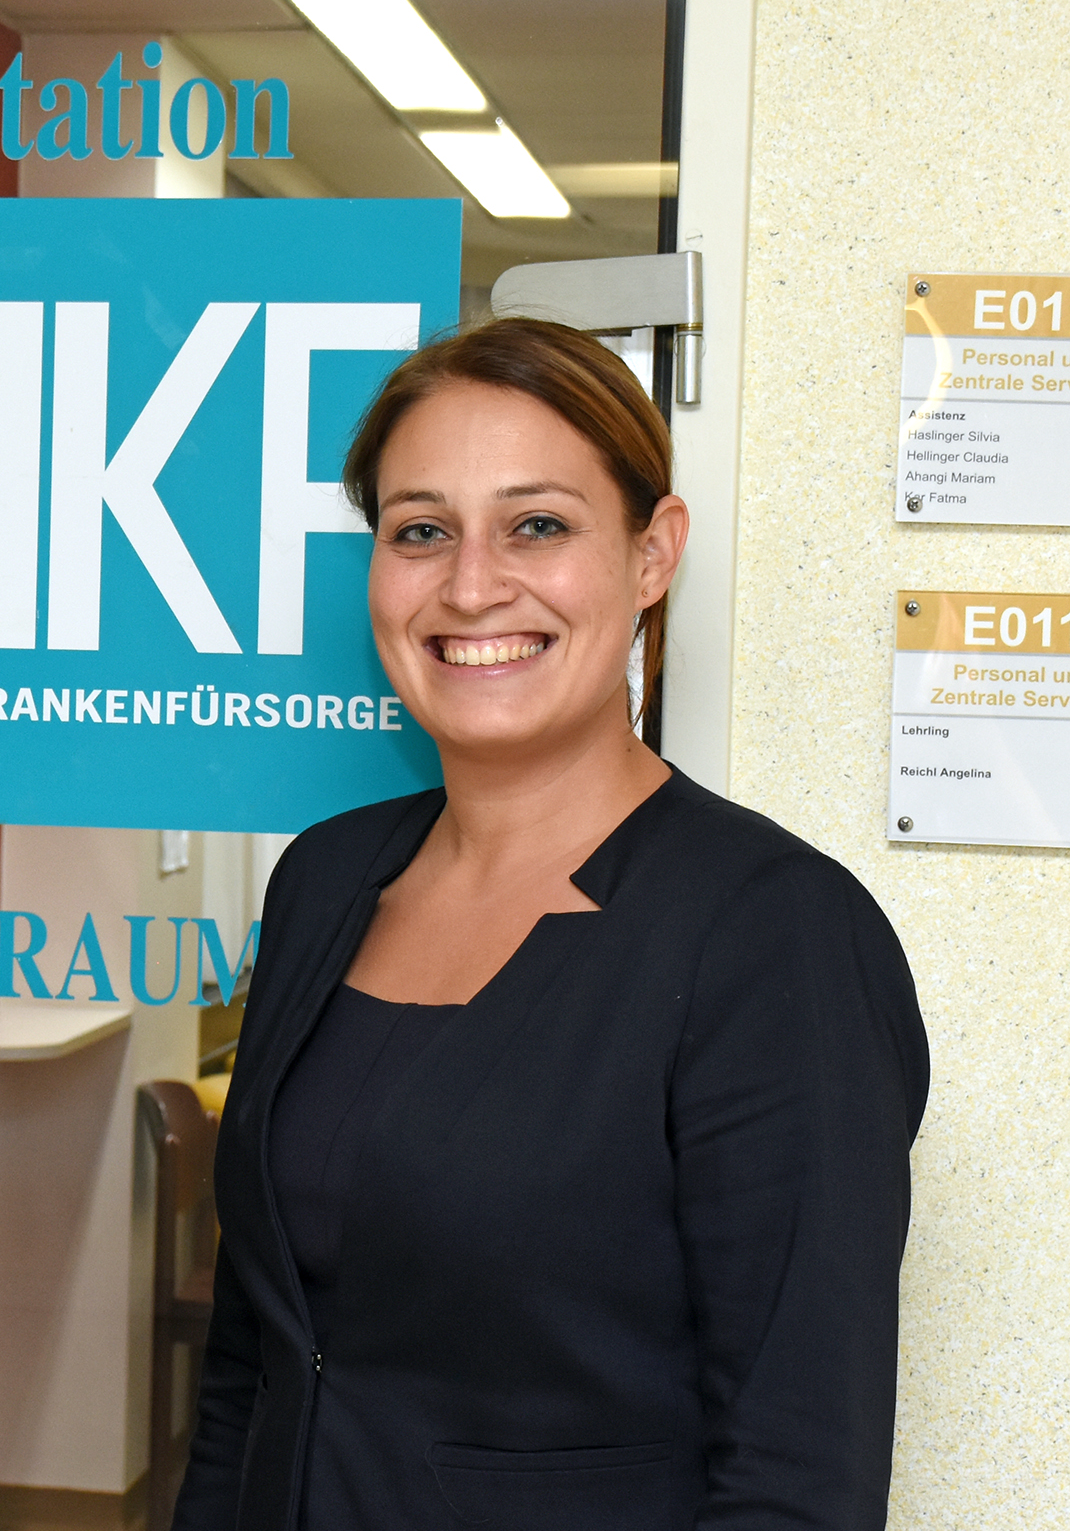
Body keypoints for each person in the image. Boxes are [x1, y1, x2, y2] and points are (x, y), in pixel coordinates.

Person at [172, 319, 930, 1531]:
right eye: (420, 530)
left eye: (535, 525)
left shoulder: (770, 936)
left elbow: (797, 1477)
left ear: (650, 552)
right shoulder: (324, 880)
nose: (471, 585)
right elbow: (250, 1365)